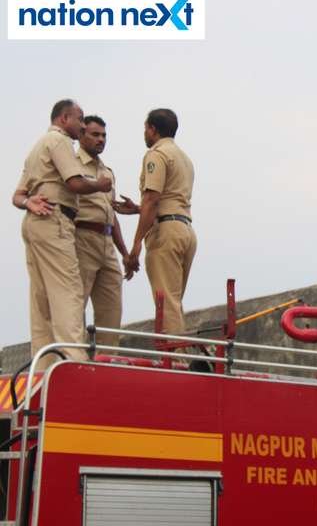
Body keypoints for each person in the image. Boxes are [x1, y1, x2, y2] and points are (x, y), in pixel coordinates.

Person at [12, 99, 112, 368]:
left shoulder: (37, 147)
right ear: (64, 118)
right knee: (68, 293)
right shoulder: (59, 142)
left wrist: (28, 202)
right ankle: (73, 364)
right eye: (80, 120)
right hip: (55, 220)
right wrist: (101, 185)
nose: (82, 126)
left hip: (36, 223)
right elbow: (75, 182)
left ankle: (44, 369)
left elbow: (17, 196)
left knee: (41, 301)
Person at [114, 109, 196, 335]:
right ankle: (178, 355)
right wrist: (139, 210)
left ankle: (174, 360)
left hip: (166, 233)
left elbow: (152, 198)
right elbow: (170, 200)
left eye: (145, 128)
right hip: (185, 229)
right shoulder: (184, 158)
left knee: (166, 302)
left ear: (152, 129)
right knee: (174, 300)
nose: (145, 133)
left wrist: (137, 243)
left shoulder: (156, 154)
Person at [74, 116, 130, 345]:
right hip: (82, 236)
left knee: (112, 306)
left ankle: (106, 357)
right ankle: (72, 355)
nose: (101, 139)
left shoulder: (107, 171)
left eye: (104, 135)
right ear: (81, 135)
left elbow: (111, 213)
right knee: (76, 303)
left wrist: (125, 253)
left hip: (106, 240)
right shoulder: (72, 163)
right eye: (95, 134)